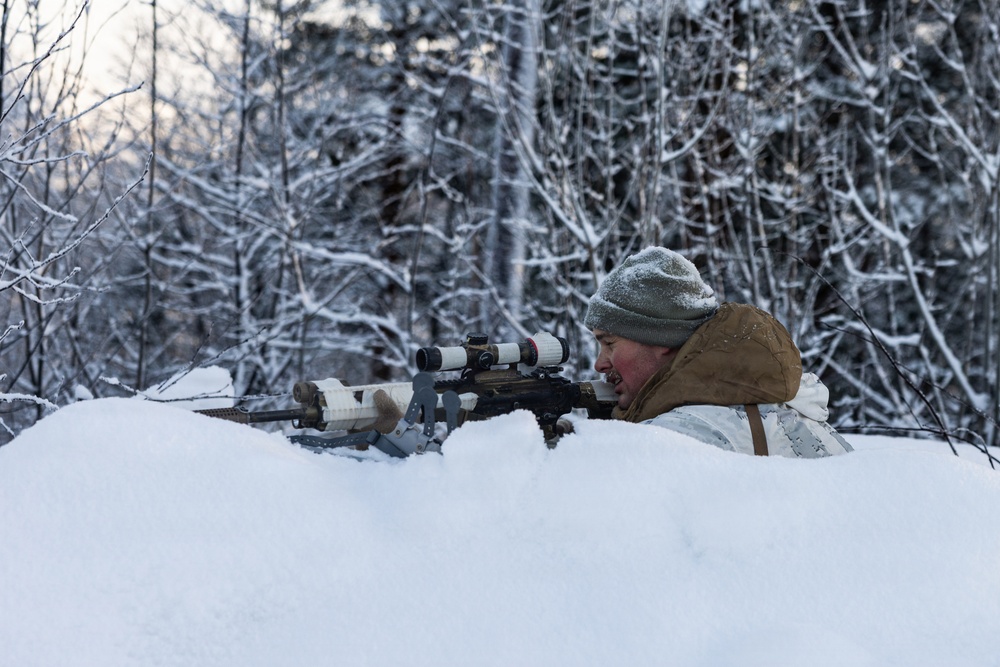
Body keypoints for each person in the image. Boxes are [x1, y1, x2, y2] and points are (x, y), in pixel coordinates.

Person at [584, 246, 852, 458]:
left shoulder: (675, 439)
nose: (599, 364)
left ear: (659, 338)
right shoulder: (793, 407)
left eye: (609, 344)